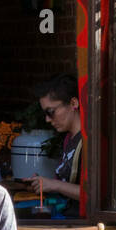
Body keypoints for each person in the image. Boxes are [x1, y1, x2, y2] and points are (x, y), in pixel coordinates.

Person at [37, 72, 82, 216]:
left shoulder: (88, 142)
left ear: (73, 103)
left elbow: (96, 194)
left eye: (51, 112)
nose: (47, 119)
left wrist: (54, 185)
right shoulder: (69, 138)